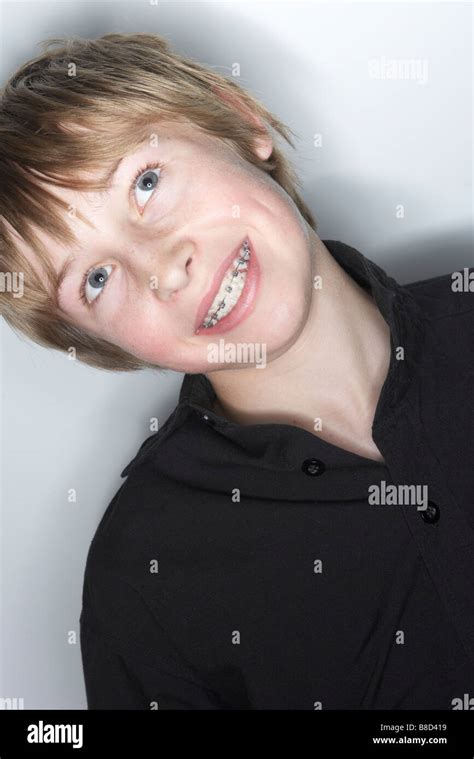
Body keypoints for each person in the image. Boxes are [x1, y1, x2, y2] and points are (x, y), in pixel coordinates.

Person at [1, 32, 473, 710]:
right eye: (98, 279)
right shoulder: (144, 583)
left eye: (146, 181)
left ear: (241, 123)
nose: (163, 267)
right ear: (101, 343)